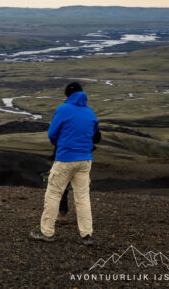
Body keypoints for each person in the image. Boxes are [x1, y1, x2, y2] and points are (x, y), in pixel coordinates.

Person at [30, 82, 100, 246]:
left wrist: (60, 144)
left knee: (54, 193)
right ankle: (86, 234)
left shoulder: (63, 109)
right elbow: (95, 135)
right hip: (85, 160)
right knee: (82, 197)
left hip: (66, 158)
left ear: (67, 95)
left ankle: (46, 232)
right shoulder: (90, 113)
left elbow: (52, 133)